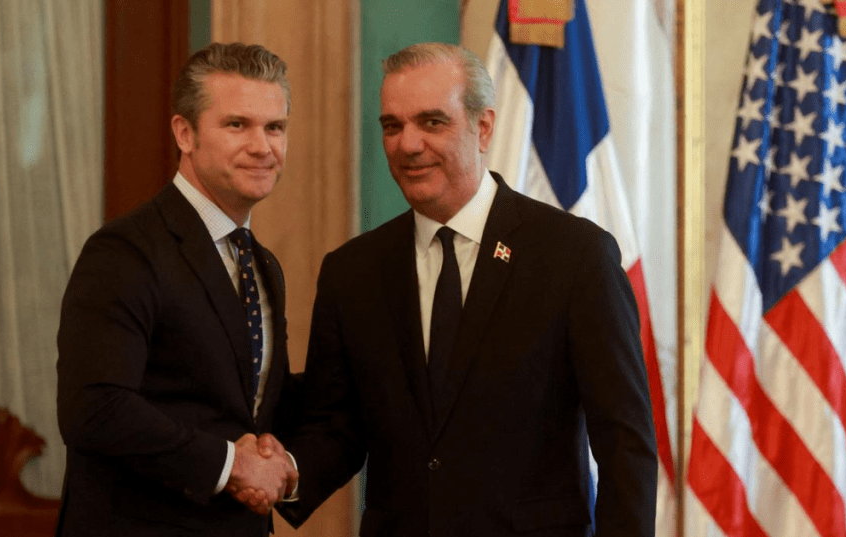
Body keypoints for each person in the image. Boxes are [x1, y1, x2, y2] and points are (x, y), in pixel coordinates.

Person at [274, 42, 658, 536]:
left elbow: (625, 442)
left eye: (431, 122)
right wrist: (282, 472)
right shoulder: (353, 271)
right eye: (392, 126)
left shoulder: (574, 257)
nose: (408, 144)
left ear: (483, 127)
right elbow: (337, 428)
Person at [55, 42, 301, 537]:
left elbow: (242, 404)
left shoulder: (262, 264)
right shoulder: (124, 251)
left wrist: (281, 463)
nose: (262, 146)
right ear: (184, 133)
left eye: (274, 127)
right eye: (237, 125)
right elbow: (94, 409)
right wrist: (233, 464)